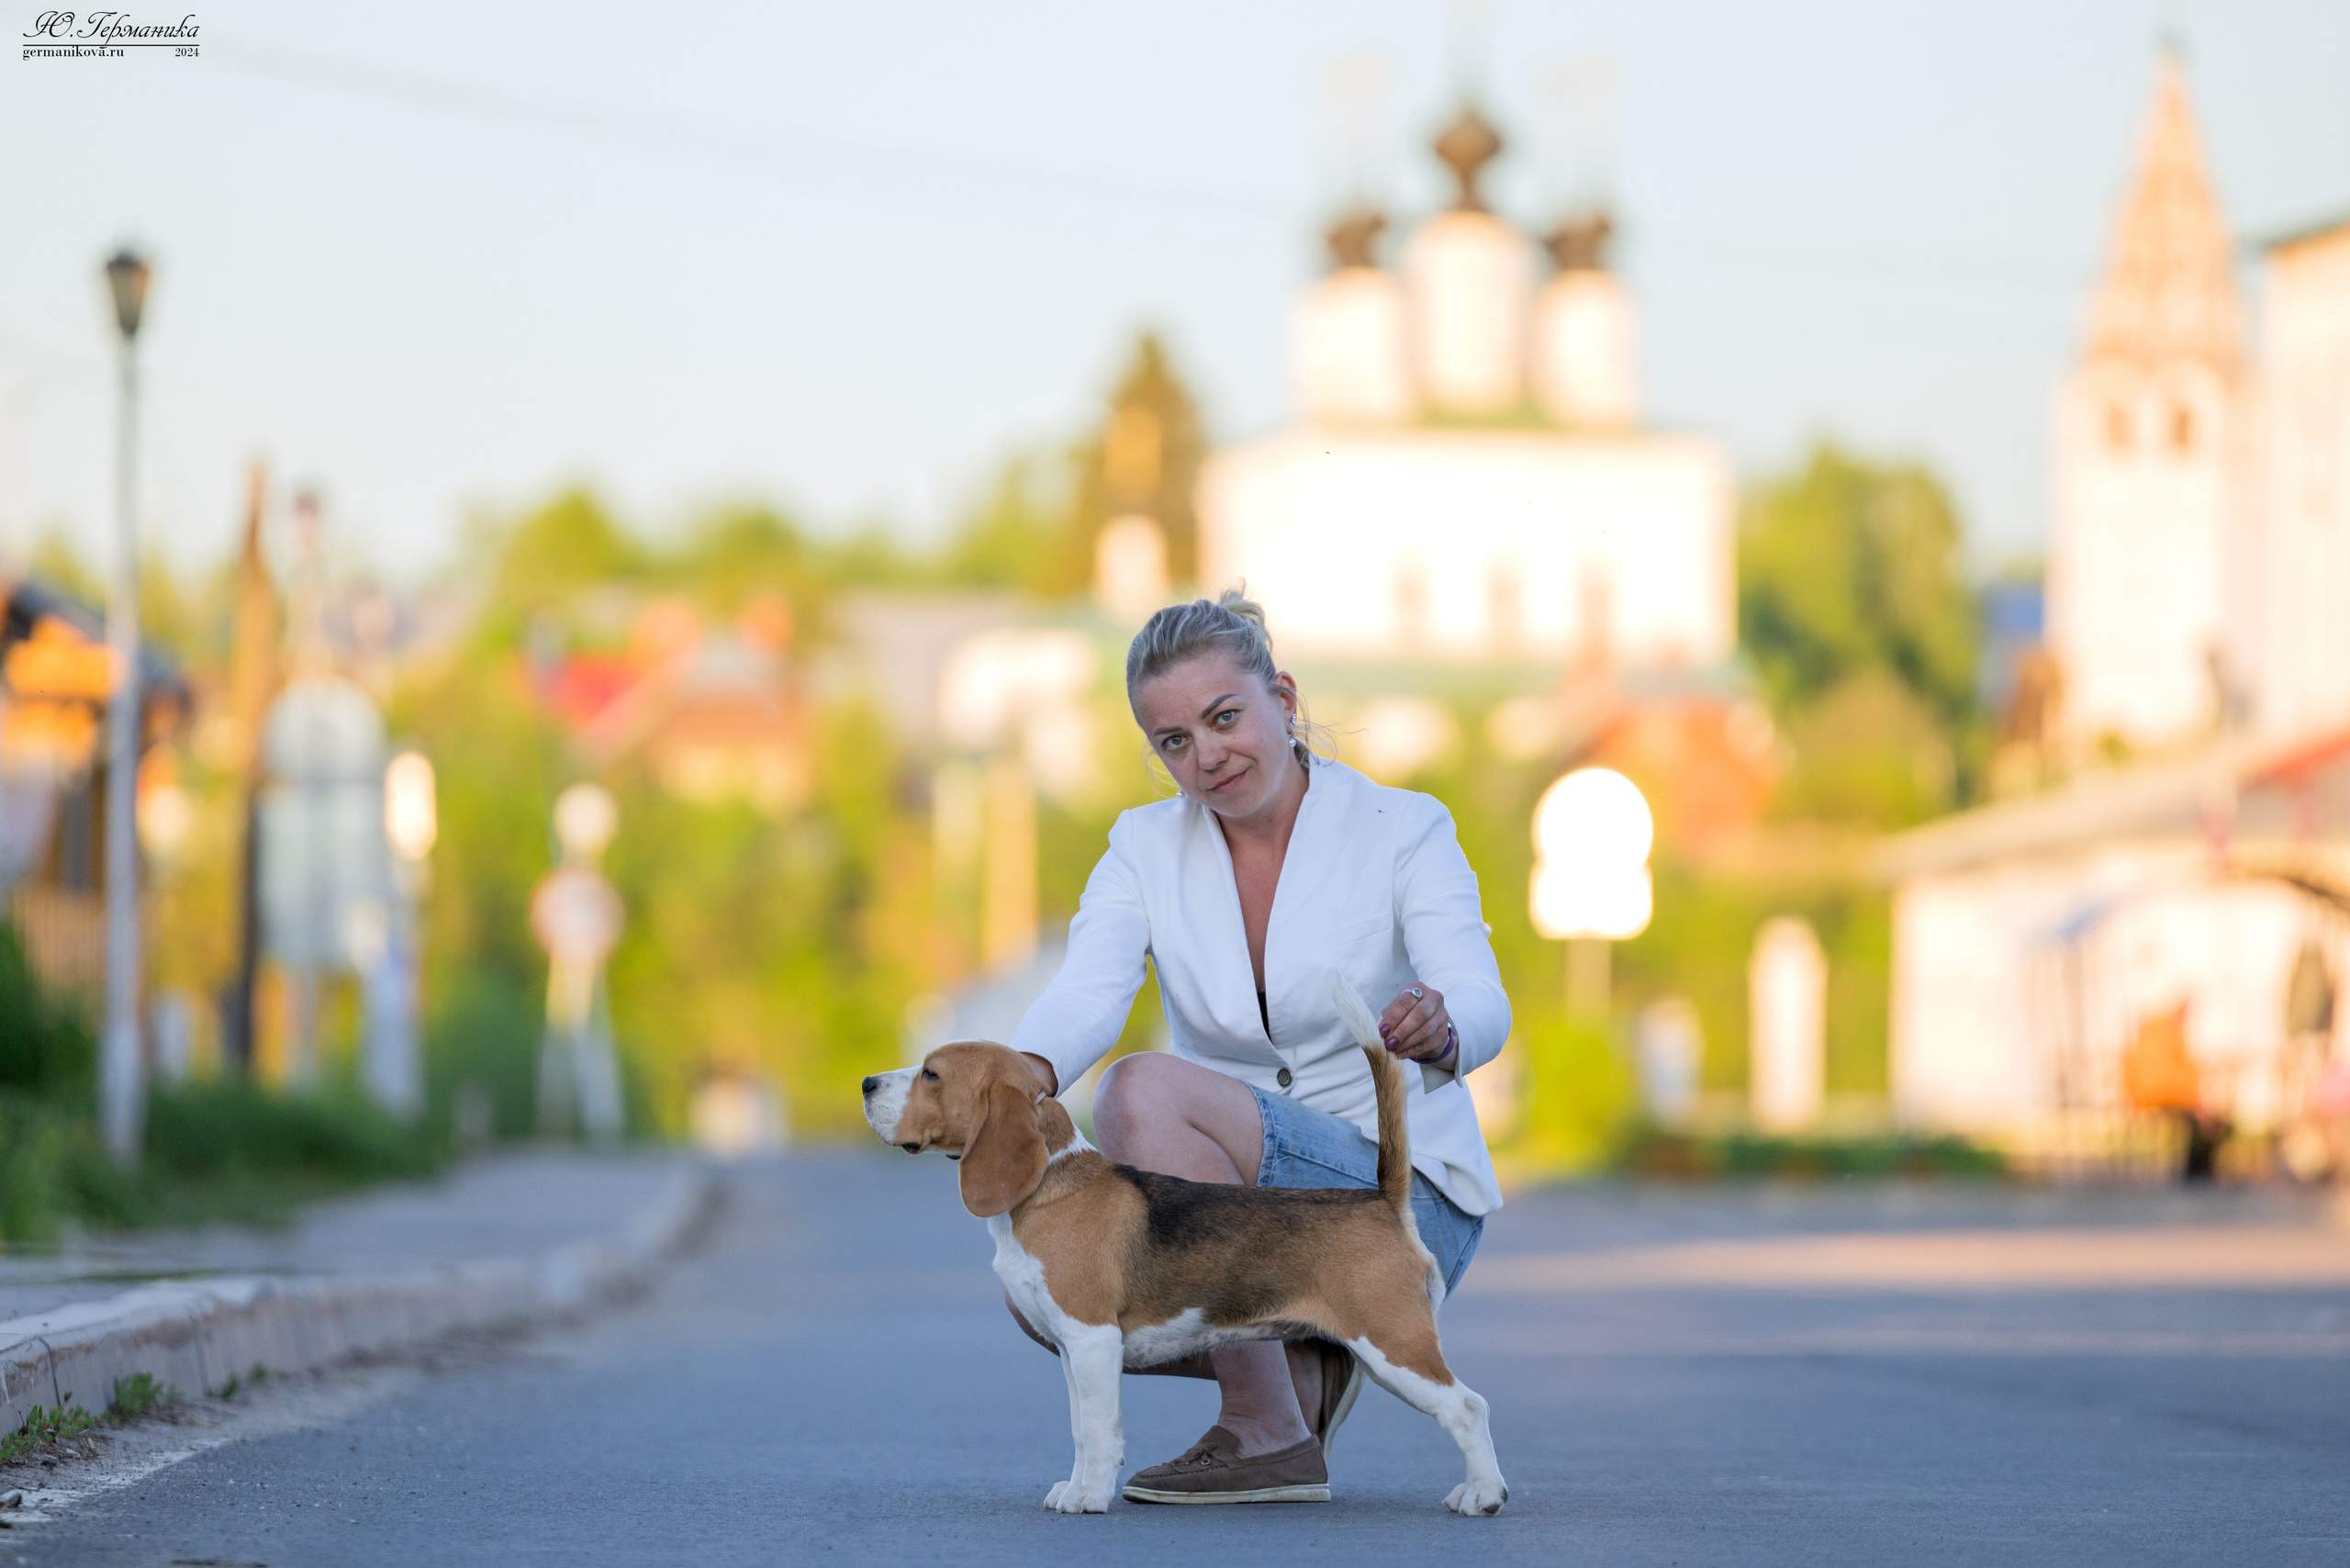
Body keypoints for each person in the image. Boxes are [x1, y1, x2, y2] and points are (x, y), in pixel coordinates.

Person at [1007, 589, 1511, 1505]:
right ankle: (1301, 1362)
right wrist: (1015, 1084)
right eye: (1173, 741)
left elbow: (1479, 992)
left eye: (1224, 716)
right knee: (1038, 1290)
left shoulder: (1403, 826)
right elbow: (1087, 990)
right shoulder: (1140, 847)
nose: (1205, 756)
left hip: (1392, 1203)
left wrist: (1445, 1024)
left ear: (1282, 698)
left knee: (1140, 1095)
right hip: (1240, 1216)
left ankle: (1266, 1429)